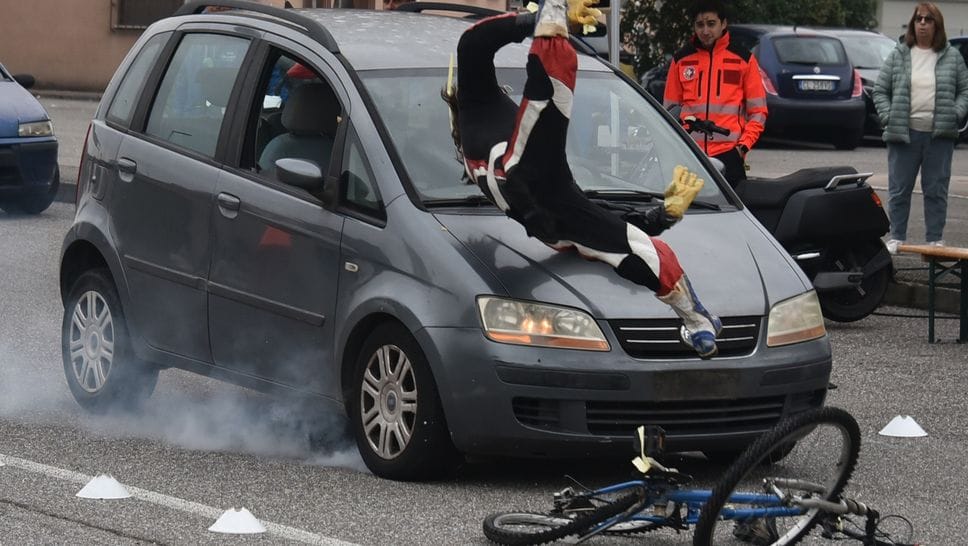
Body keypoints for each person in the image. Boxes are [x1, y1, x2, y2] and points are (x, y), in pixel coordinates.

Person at [442, 0, 722, 357]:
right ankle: (552, 18)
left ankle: (697, 320)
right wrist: (537, 20)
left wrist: (659, 217)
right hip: (528, 185)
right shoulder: (475, 106)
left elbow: (596, 215)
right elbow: (471, 46)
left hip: (548, 202)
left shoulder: (487, 121)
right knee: (536, 129)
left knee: (642, 249)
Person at [873, 2, 968, 253]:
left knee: (936, 189)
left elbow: (965, 90)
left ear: (938, 25)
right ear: (913, 24)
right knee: (899, 188)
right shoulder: (899, 54)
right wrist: (888, 116)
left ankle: (935, 239)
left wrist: (956, 113)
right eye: (919, 19)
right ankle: (897, 237)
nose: (923, 23)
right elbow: (880, 90)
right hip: (904, 134)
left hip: (939, 136)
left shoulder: (952, 56)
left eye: (928, 19)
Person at [662, 0, 767, 188]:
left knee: (733, 207)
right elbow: (669, 113)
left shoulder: (743, 59)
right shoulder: (681, 60)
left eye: (711, 24)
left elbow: (758, 112)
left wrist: (742, 148)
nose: (705, 31)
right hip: (690, 155)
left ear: (723, 23)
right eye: (700, 25)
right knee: (683, 206)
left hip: (729, 155)